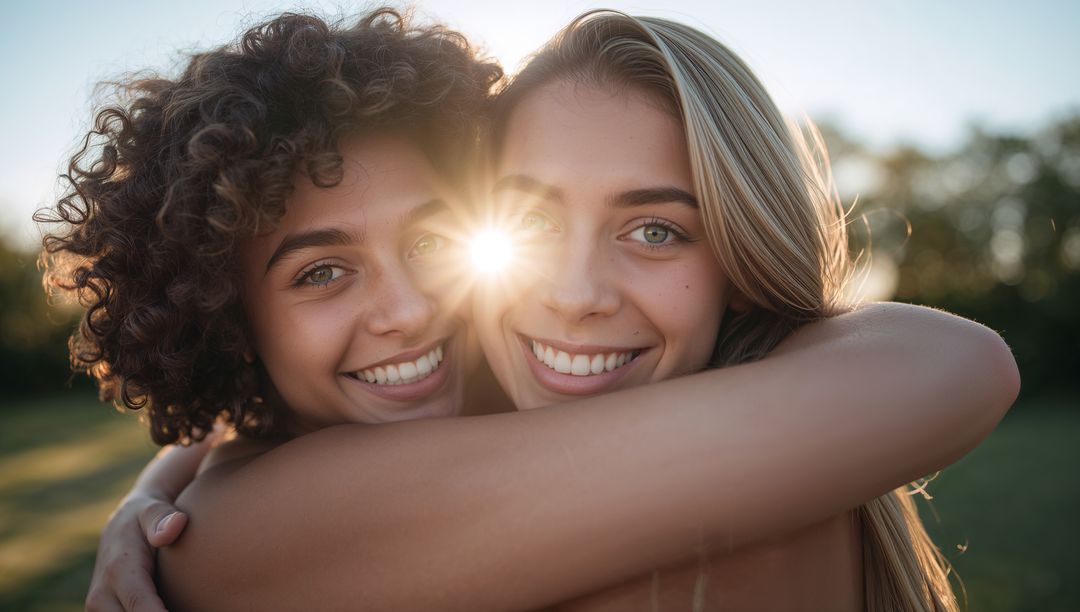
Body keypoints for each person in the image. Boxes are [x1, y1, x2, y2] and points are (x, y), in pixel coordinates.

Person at [45, 9, 1017, 612]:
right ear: (219, 312)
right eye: (319, 274)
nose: (410, 307)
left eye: (433, 242)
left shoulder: (722, 442)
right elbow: (946, 367)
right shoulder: (238, 531)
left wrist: (165, 473)